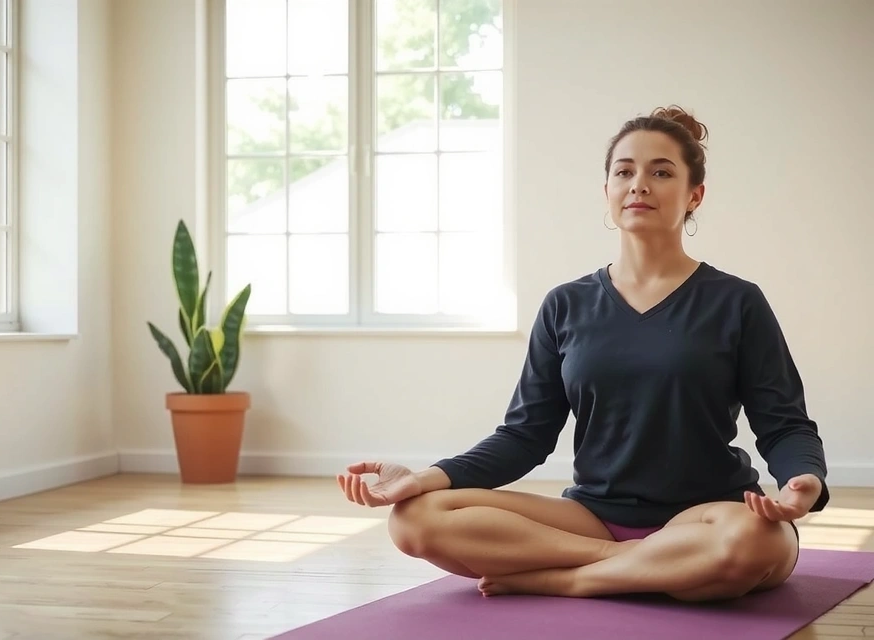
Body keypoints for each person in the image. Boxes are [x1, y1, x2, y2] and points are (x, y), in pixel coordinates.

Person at [335, 105, 830, 602]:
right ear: (608, 193)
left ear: (694, 195)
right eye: (624, 172)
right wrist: (423, 477)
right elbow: (524, 435)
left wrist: (803, 480)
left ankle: (564, 579)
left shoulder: (737, 301)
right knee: (415, 518)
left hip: (706, 515)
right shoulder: (565, 304)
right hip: (591, 519)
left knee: (754, 540)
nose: (639, 184)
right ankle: (641, 566)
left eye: (661, 172)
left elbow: (784, 422)